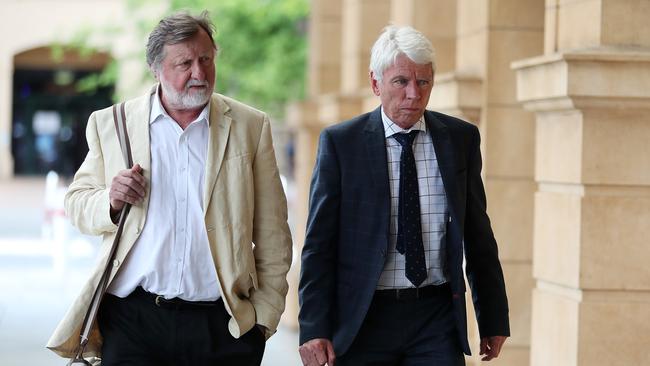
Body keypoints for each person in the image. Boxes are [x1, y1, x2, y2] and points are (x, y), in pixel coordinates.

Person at [47, 11, 292, 366]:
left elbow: (273, 233)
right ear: (157, 69)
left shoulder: (250, 127)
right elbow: (77, 204)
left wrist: (263, 318)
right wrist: (111, 201)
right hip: (134, 322)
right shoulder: (112, 124)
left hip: (222, 327)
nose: (199, 72)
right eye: (185, 63)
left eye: (206, 59)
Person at [298, 25, 509, 366]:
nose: (414, 93)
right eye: (401, 82)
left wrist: (493, 318)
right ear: (375, 83)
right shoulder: (341, 144)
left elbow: (478, 235)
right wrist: (312, 328)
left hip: (435, 315)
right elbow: (319, 244)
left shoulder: (460, 139)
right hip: (364, 316)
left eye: (423, 82)